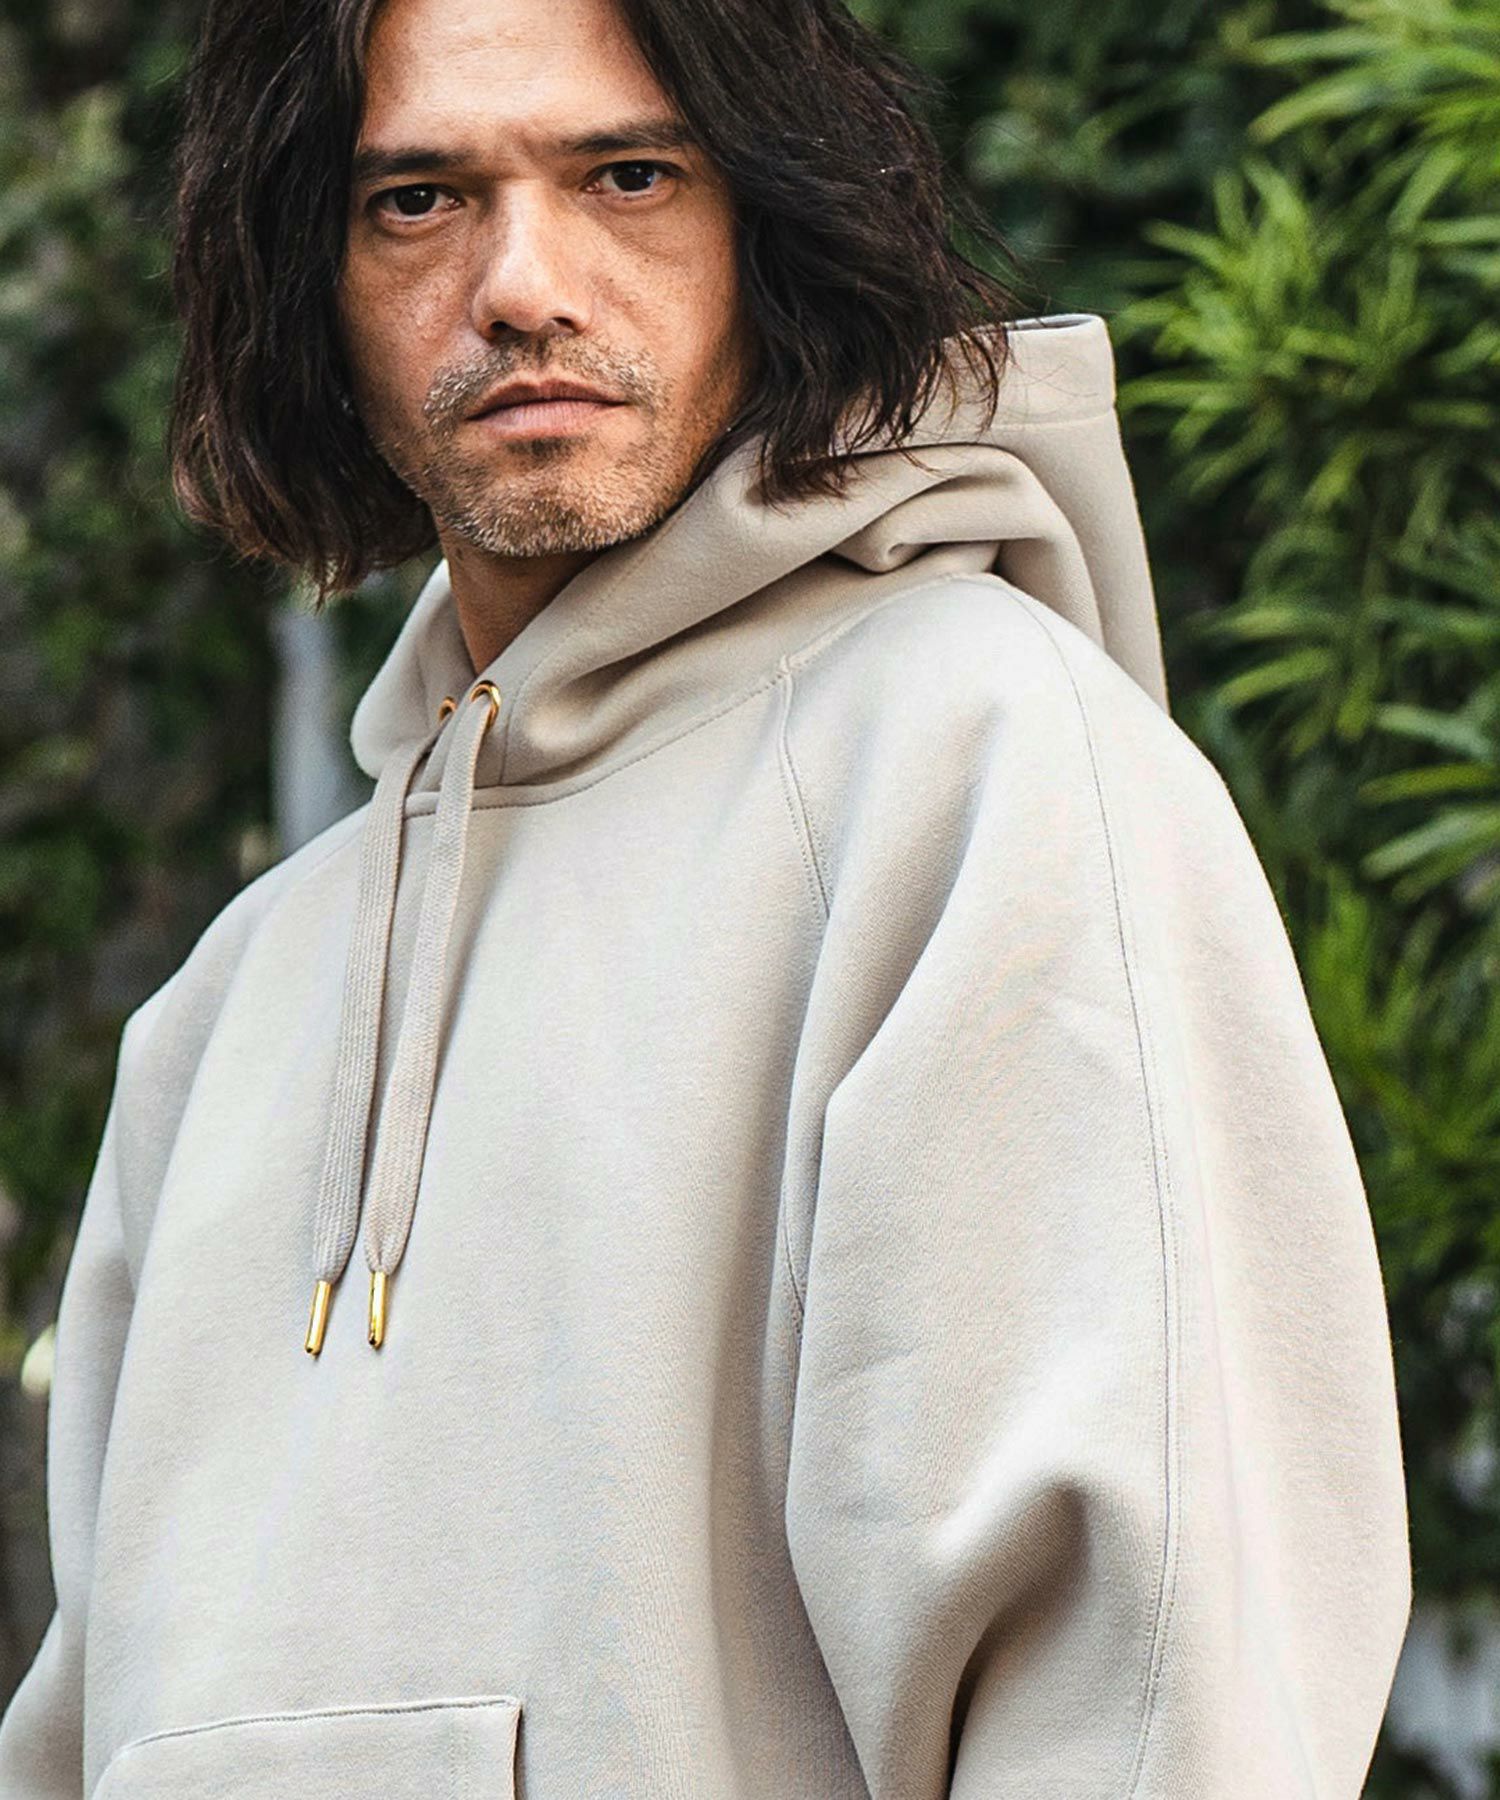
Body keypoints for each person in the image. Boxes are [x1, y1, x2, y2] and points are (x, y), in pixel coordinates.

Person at [0, 0, 1413, 1791]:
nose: (524, 285)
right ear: (306, 281)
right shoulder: (224, 1015)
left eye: (629, 175)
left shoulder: (981, 772)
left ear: (770, 220)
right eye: (416, 200)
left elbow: (1152, 1703)